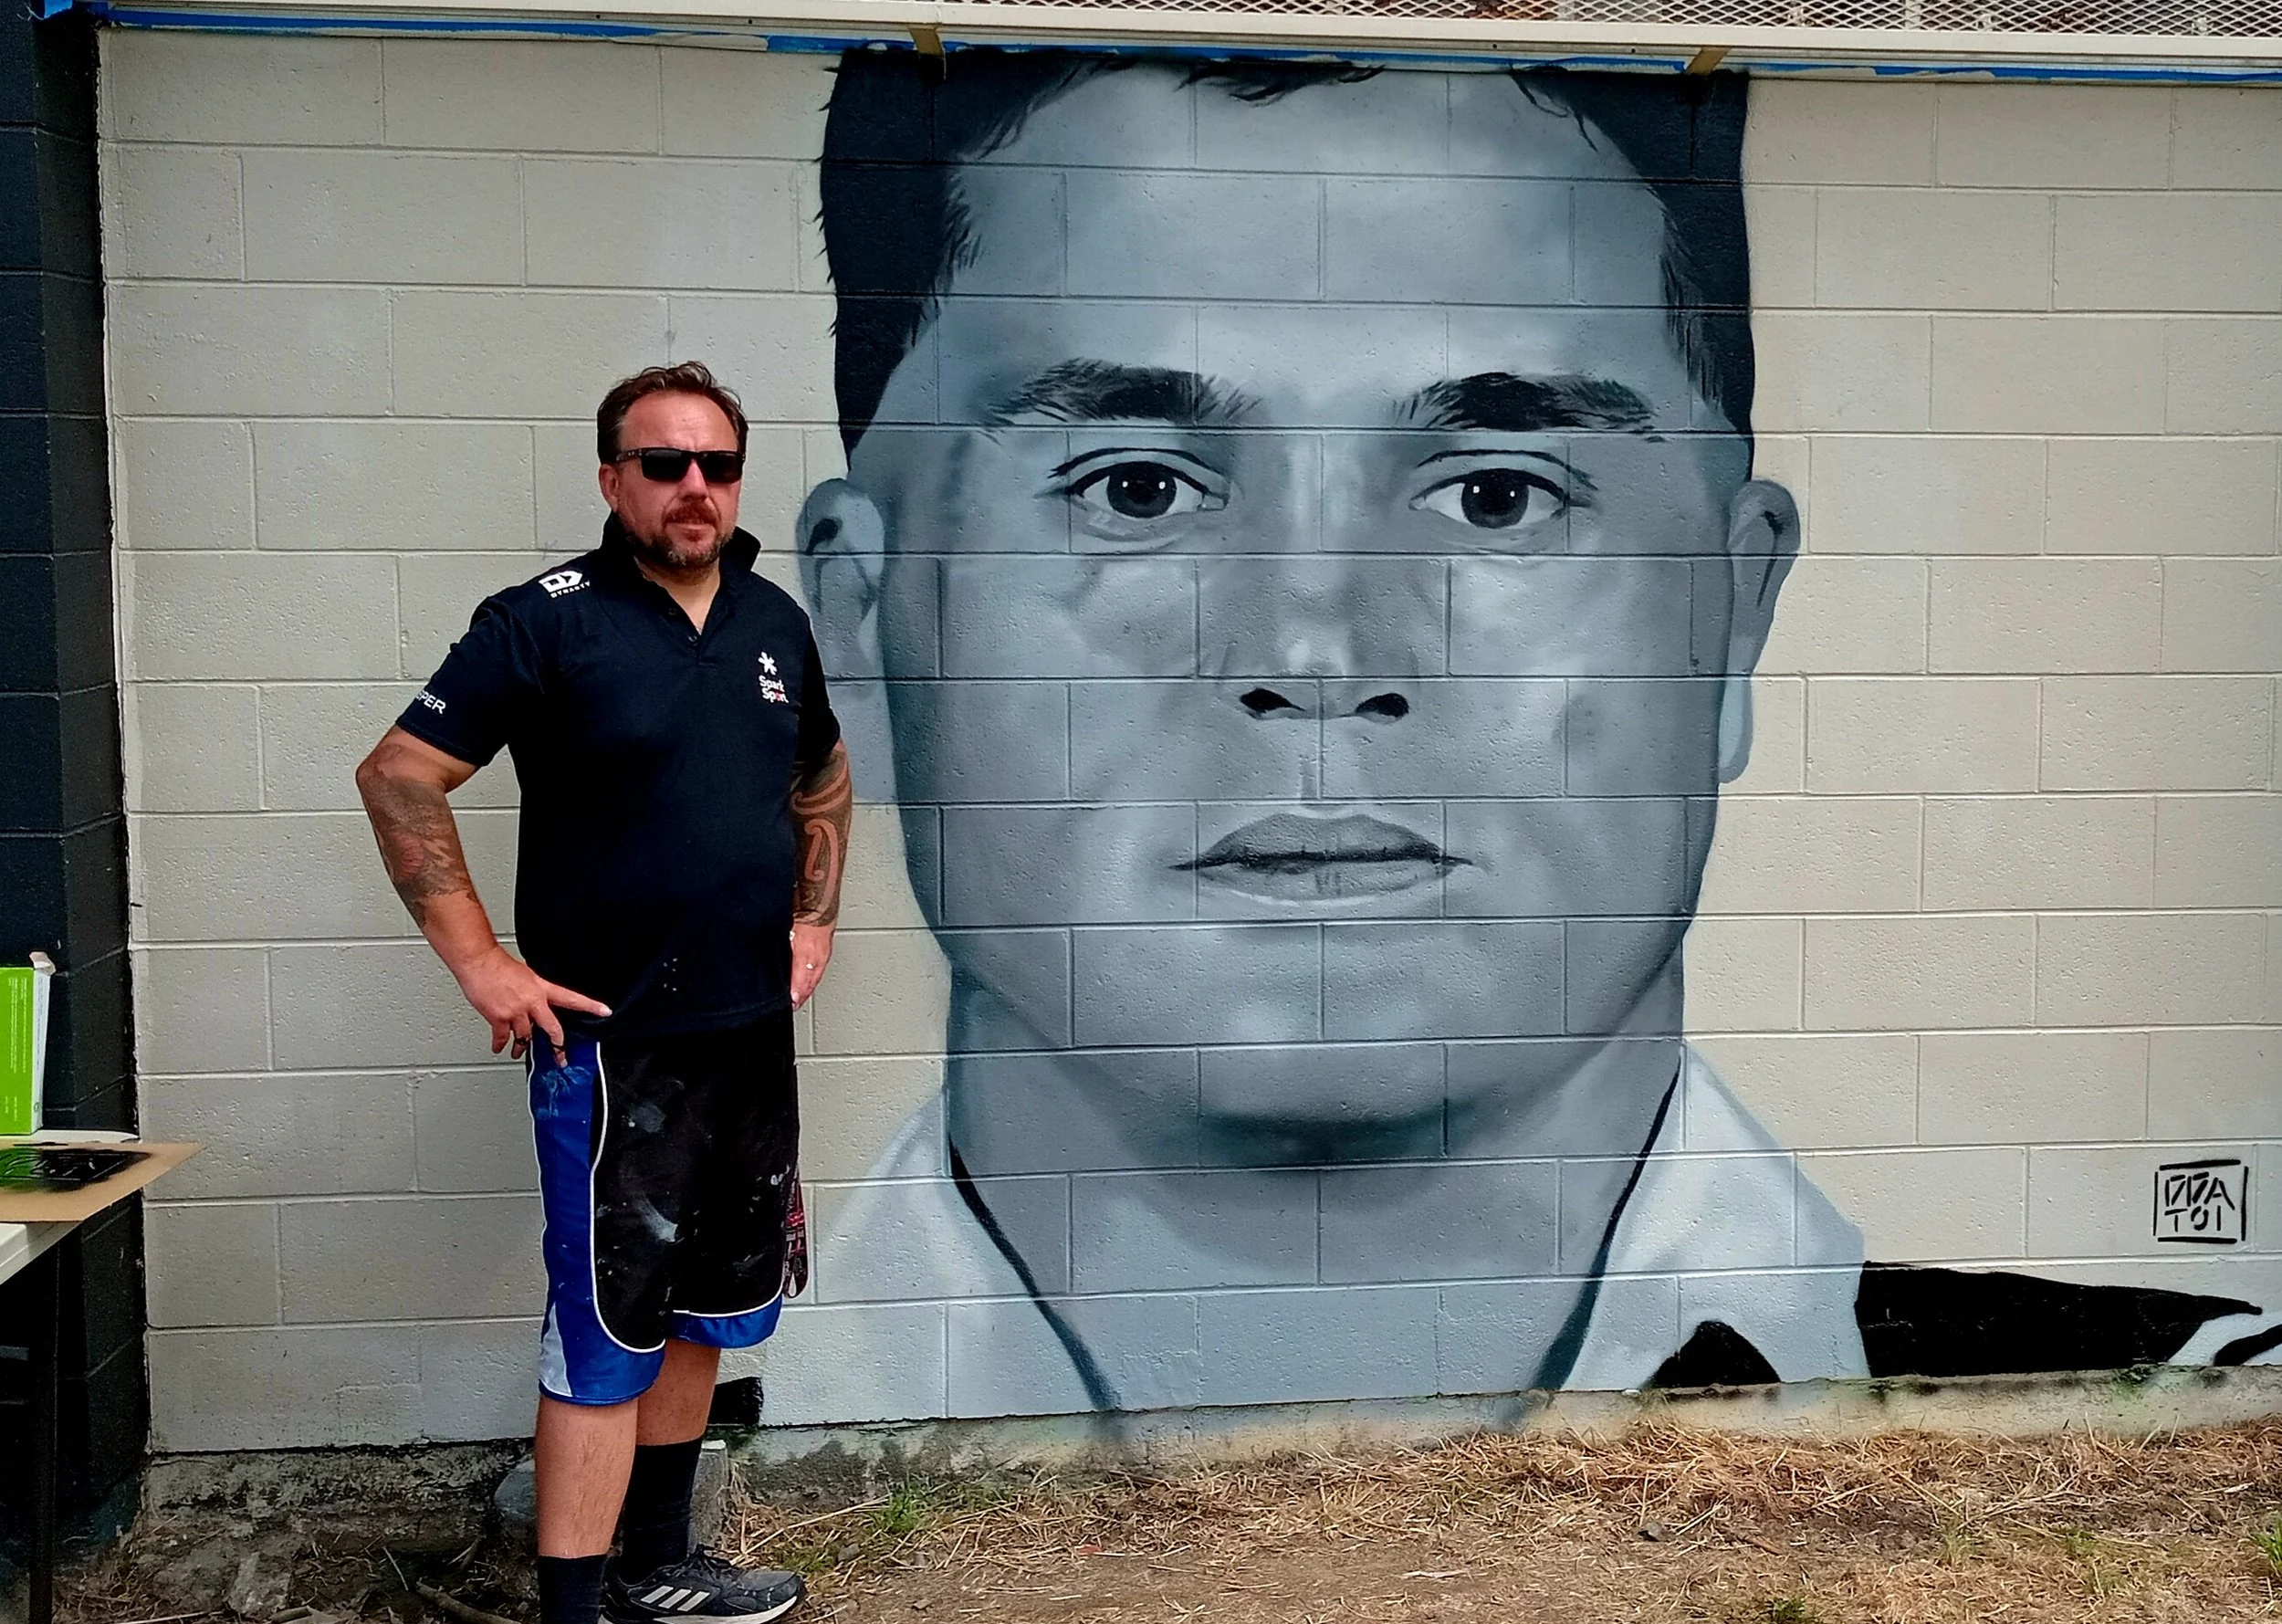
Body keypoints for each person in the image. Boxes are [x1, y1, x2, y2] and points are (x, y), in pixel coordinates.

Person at [796, 55, 2282, 1419]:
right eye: (1135, 491)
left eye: (1499, 495)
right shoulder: (681, 1418)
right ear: (862, 623)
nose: (1317, 654)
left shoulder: (2198, 1390)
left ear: (1731, 615)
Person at [356, 361, 852, 1624]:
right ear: (610, 477)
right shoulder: (542, 625)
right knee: (601, 1332)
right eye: (663, 463)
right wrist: (479, 964)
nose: (695, 487)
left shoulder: (772, 620)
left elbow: (820, 774)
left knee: (705, 1307)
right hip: (609, 1053)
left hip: (749, 1033)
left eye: (718, 465)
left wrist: (815, 919)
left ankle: (657, 1568)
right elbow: (400, 776)